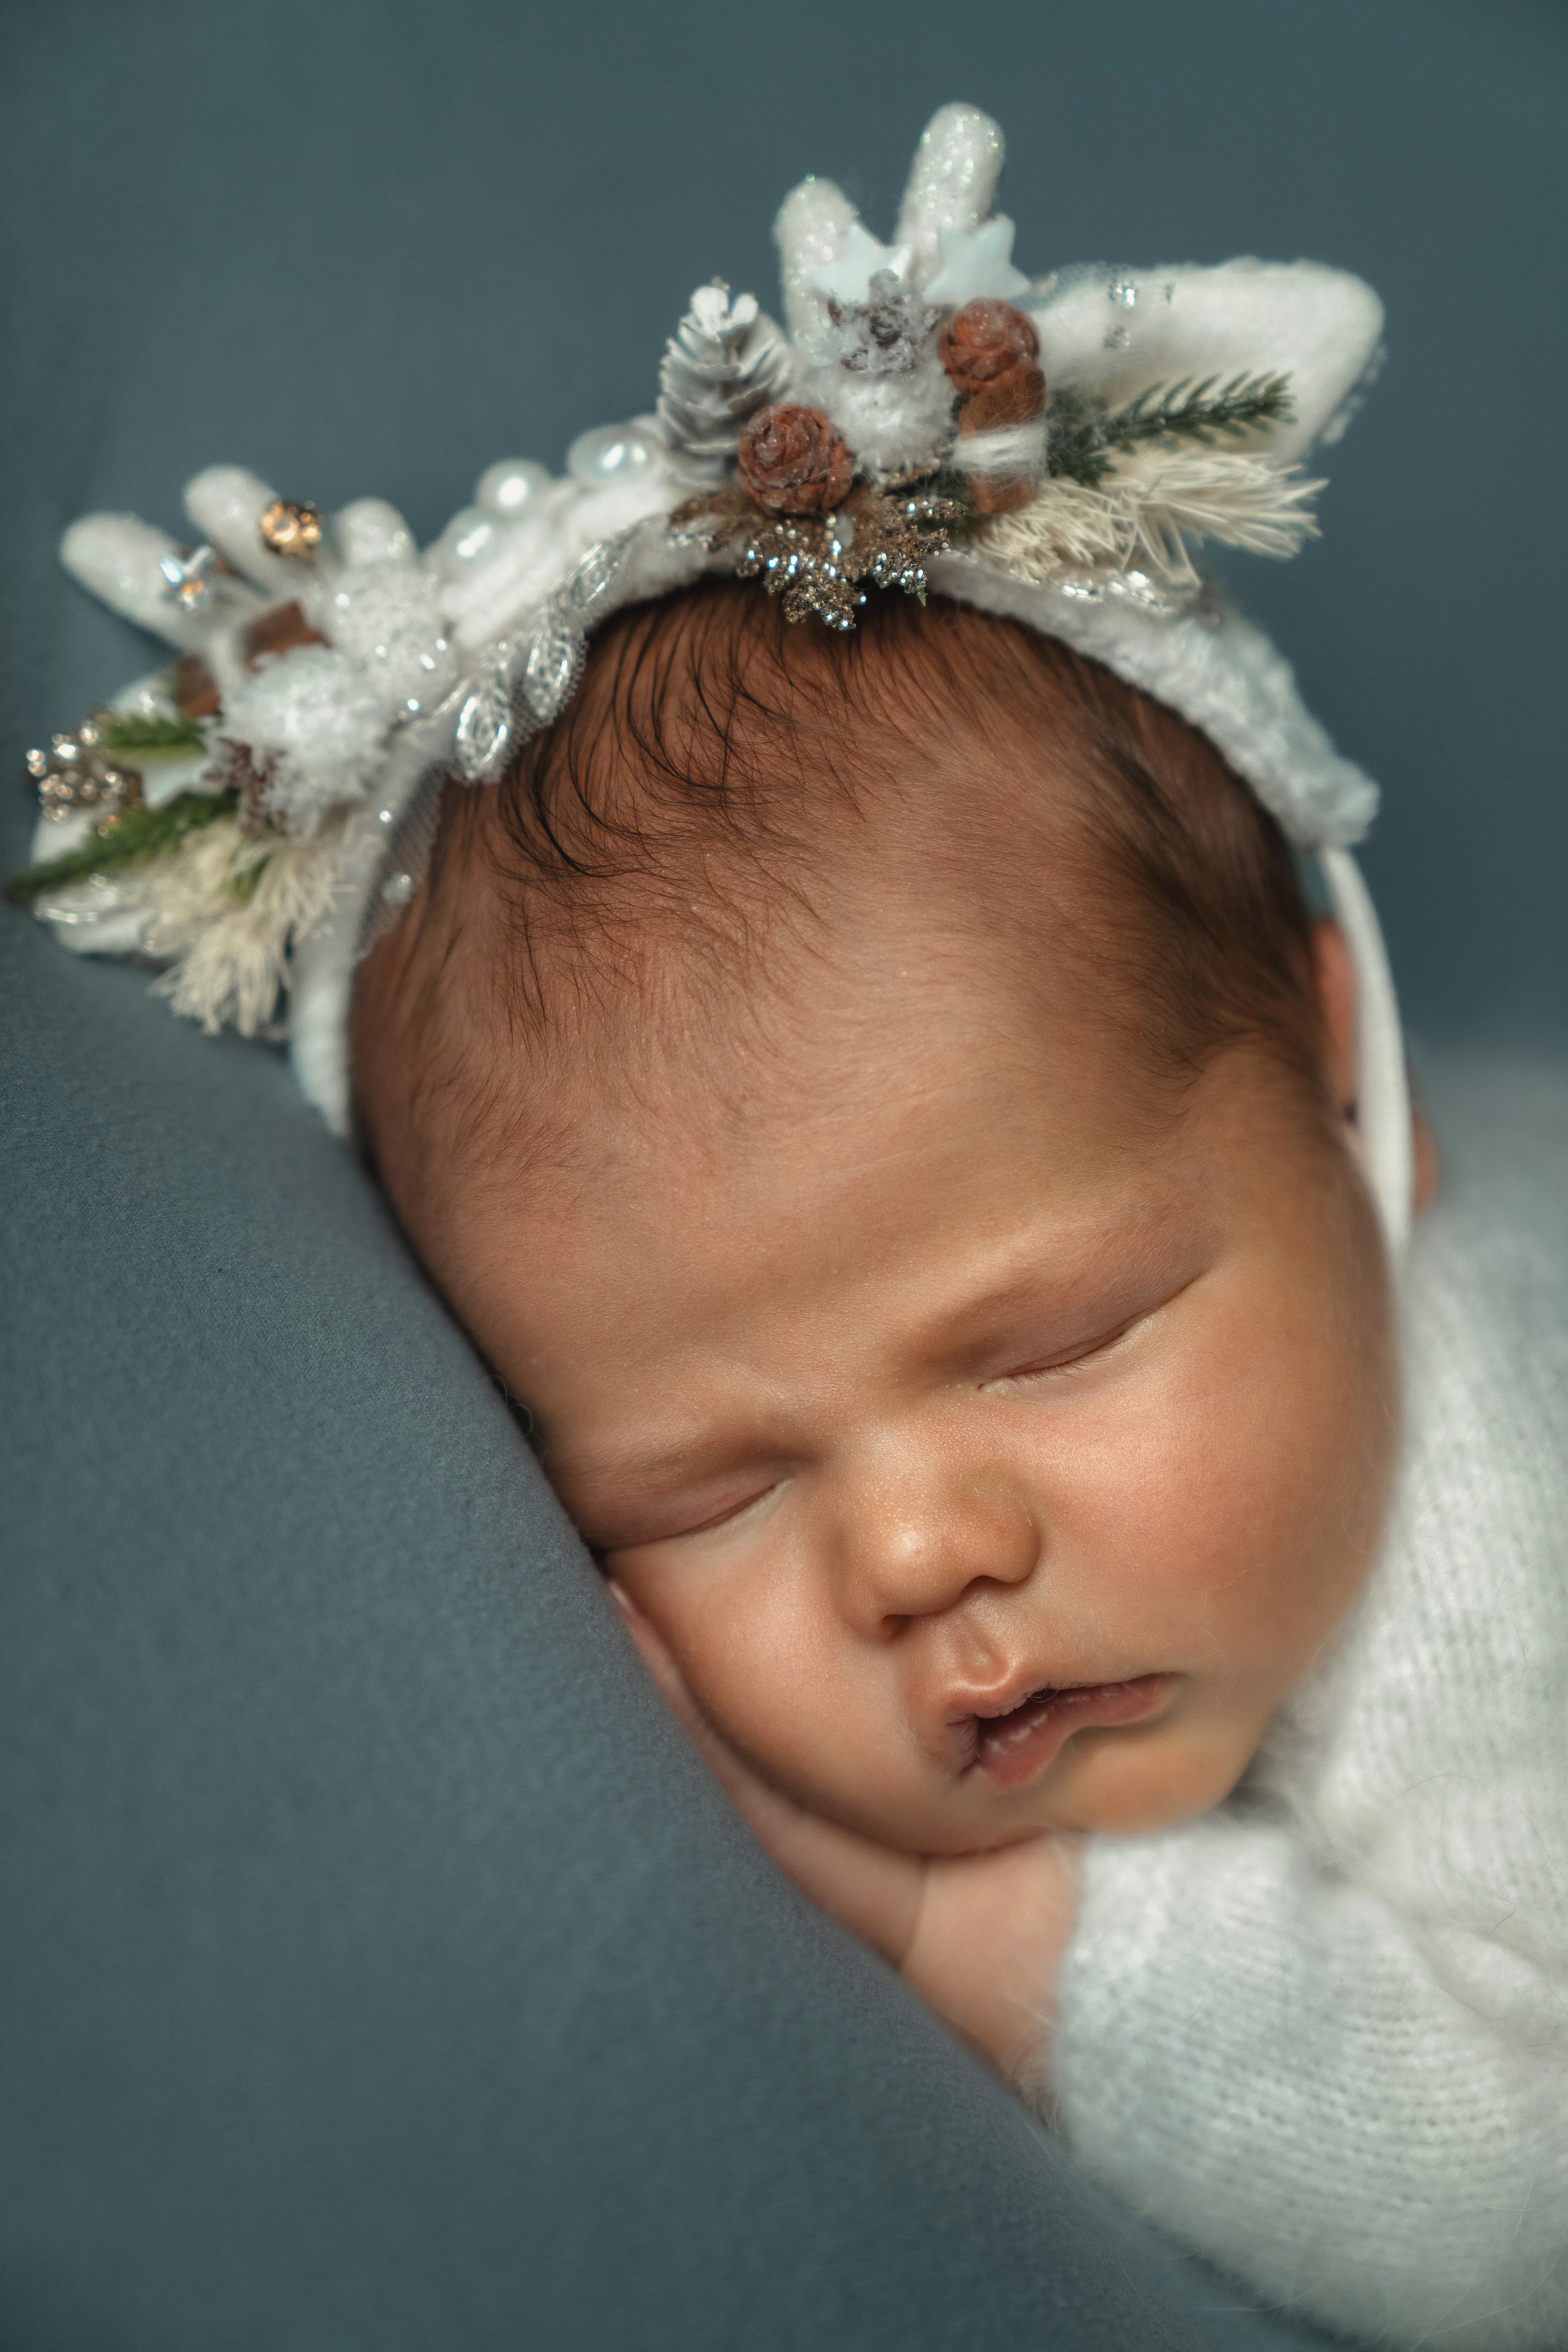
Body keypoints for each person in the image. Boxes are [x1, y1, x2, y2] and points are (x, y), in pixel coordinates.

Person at [19, 104, 1567, 2348]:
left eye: (1052, 1340)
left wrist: (979, 1946)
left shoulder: (1493, 1518)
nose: (917, 1551)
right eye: (709, 1490)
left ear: (1353, 1098)